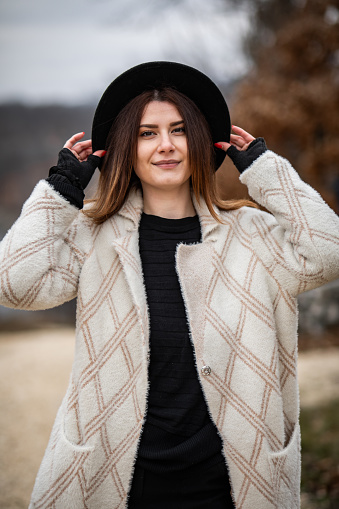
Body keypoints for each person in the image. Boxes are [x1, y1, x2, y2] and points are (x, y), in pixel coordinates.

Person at [0, 61, 338, 509]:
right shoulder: (94, 235)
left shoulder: (250, 233)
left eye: (179, 130)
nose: (165, 146)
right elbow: (14, 286)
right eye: (146, 133)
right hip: (118, 481)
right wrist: (60, 190)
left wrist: (265, 169)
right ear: (126, 147)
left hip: (231, 484)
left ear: (198, 140)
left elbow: (328, 251)